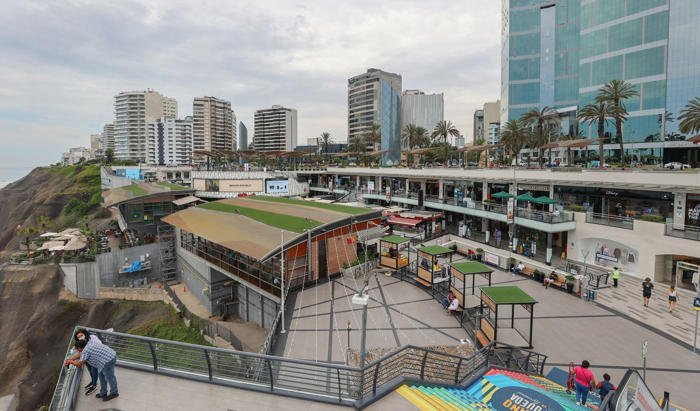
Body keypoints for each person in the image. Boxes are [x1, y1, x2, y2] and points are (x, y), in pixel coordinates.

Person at [64, 337, 119, 402]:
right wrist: (71, 359)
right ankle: (103, 393)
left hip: (108, 359)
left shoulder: (85, 351)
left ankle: (114, 393)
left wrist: (71, 361)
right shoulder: (89, 343)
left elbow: (79, 364)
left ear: (79, 348)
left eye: (77, 349)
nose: (77, 350)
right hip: (105, 360)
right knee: (101, 377)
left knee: (109, 377)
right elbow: (80, 354)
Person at [72, 328, 102, 395]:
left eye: (81, 335)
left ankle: (94, 386)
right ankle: (93, 381)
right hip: (87, 358)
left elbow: (99, 345)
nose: (80, 337)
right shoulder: (81, 343)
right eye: (78, 337)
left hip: (94, 358)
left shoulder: (92, 338)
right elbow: (74, 351)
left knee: (94, 371)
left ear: (85, 334)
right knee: (90, 370)